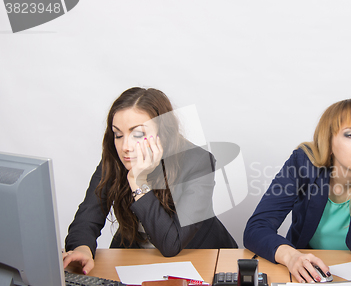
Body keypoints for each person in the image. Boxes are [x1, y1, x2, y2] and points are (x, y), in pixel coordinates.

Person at [64, 87, 237, 274]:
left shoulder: (197, 161)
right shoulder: (115, 159)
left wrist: (138, 182)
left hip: (199, 258)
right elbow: (88, 216)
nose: (125, 147)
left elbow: (171, 244)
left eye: (137, 134)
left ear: (163, 133)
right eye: (118, 134)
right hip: (137, 258)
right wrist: (82, 248)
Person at [243, 99, 351, 283]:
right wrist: (291, 256)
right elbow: (256, 228)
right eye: (350, 135)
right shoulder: (304, 162)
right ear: (329, 143)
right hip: (318, 271)